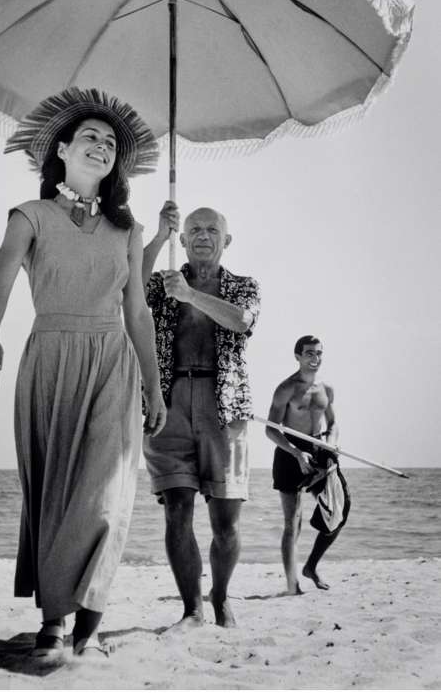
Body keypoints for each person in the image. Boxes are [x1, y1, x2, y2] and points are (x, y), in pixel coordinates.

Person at [0, 88, 166, 661]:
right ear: (61, 149)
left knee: (107, 497)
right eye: (90, 137)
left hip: (112, 362)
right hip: (51, 358)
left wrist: (154, 385)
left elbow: (137, 312)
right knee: (56, 494)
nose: (102, 146)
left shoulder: (128, 231)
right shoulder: (30, 215)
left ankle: (91, 617)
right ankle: (54, 619)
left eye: (110, 142)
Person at [142, 201, 261, 629]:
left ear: (226, 240)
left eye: (212, 230)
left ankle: (221, 596)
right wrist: (157, 236)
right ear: (184, 239)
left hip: (225, 405)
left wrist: (190, 296)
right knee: (176, 509)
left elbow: (242, 323)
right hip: (169, 401)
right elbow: (129, 289)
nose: (203, 236)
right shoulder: (164, 282)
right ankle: (191, 608)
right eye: (194, 230)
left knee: (225, 519)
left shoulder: (244, 285)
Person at [266, 336, 350, 595]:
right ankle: (292, 585)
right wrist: (295, 452)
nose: (315, 359)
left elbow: (333, 423)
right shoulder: (286, 389)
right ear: (298, 356)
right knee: (293, 522)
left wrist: (332, 442)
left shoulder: (327, 389)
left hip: (319, 449)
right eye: (310, 353)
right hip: (290, 451)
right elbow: (270, 430)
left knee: (340, 510)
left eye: (319, 354)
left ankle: (311, 566)